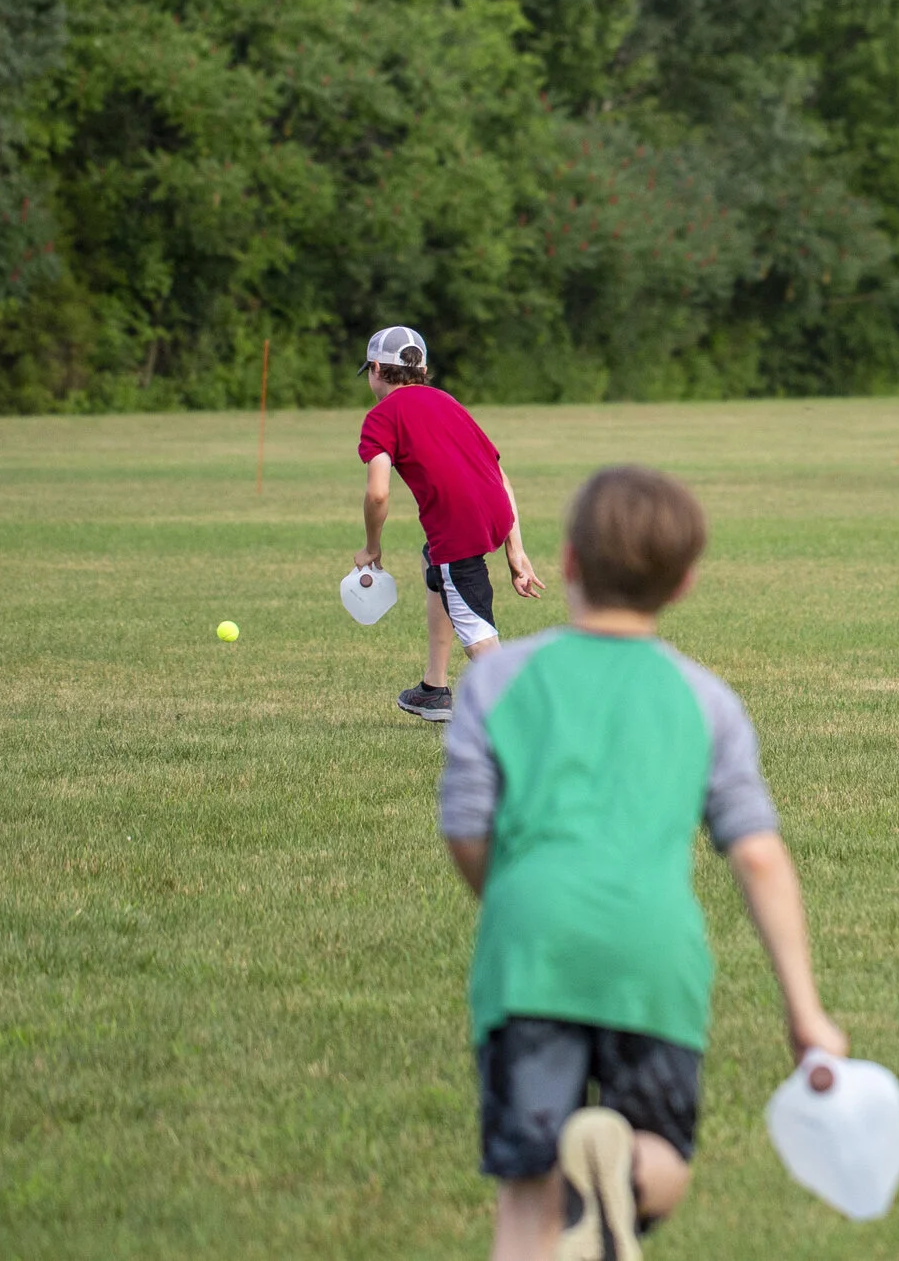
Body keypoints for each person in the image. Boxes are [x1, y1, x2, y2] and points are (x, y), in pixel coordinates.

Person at [439, 464, 846, 1261]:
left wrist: (511, 893)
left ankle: (580, 1201)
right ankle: (621, 1182)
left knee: (528, 1190)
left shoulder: (496, 680)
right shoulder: (705, 698)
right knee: (663, 1153)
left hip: (529, 951)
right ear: (686, 582)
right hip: (653, 957)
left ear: (566, 562)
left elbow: (464, 828)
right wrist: (804, 1009)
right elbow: (758, 856)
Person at [353, 326, 543, 723]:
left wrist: (372, 547)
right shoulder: (446, 401)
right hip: (496, 512)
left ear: (375, 368)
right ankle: (434, 689)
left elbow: (377, 494)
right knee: (432, 564)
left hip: (458, 529)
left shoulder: (380, 417)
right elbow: (497, 472)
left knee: (476, 631)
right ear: (421, 369)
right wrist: (516, 549)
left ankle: (533, 714)